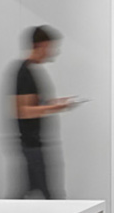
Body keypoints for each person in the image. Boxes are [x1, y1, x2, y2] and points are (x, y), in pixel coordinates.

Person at [13, 26, 74, 198]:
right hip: (31, 145)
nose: (52, 52)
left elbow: (32, 105)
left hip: (34, 144)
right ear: (42, 45)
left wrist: (55, 103)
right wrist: (55, 107)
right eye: (51, 47)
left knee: (32, 192)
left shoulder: (29, 71)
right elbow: (24, 110)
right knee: (47, 195)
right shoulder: (24, 73)